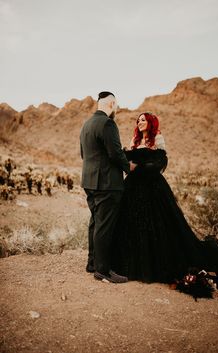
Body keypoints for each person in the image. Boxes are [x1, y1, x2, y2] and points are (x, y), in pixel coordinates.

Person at [112, 112, 218, 298]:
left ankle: (155, 264)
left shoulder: (157, 139)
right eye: (138, 121)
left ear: (151, 123)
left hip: (153, 190)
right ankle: (133, 264)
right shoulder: (134, 141)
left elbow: (159, 163)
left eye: (143, 120)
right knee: (133, 225)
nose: (140, 122)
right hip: (133, 190)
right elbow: (126, 162)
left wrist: (138, 167)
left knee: (159, 226)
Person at [80, 91, 136, 283]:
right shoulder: (108, 123)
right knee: (104, 226)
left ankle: (92, 263)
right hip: (107, 183)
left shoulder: (86, 125)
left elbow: (84, 154)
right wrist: (130, 168)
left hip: (89, 182)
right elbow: (115, 154)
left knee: (95, 222)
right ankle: (103, 270)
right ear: (111, 104)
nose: (117, 109)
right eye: (117, 106)